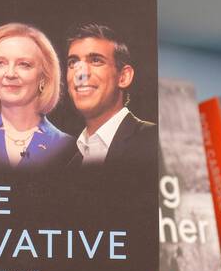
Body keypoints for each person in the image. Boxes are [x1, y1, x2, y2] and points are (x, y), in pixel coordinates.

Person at [0, 23, 72, 167]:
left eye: (24, 64)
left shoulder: (69, 148)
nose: (10, 74)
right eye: (0, 63)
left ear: (44, 76)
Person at [65, 23, 154, 167]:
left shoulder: (153, 141)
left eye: (96, 60)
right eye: (73, 62)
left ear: (123, 77)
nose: (80, 73)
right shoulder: (72, 164)